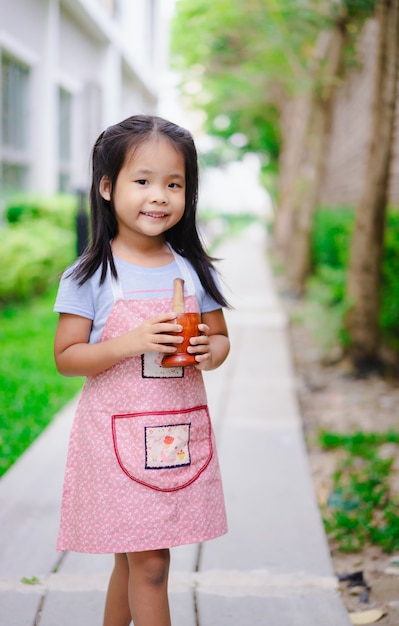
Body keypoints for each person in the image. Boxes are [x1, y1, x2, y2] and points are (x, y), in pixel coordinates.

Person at [53, 114, 230, 626]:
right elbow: (66, 358)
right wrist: (129, 343)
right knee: (148, 563)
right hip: (116, 441)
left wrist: (207, 351)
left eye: (173, 184)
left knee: (137, 561)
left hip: (175, 439)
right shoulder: (89, 273)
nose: (159, 196)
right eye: (143, 181)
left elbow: (220, 342)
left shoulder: (193, 270)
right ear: (107, 187)